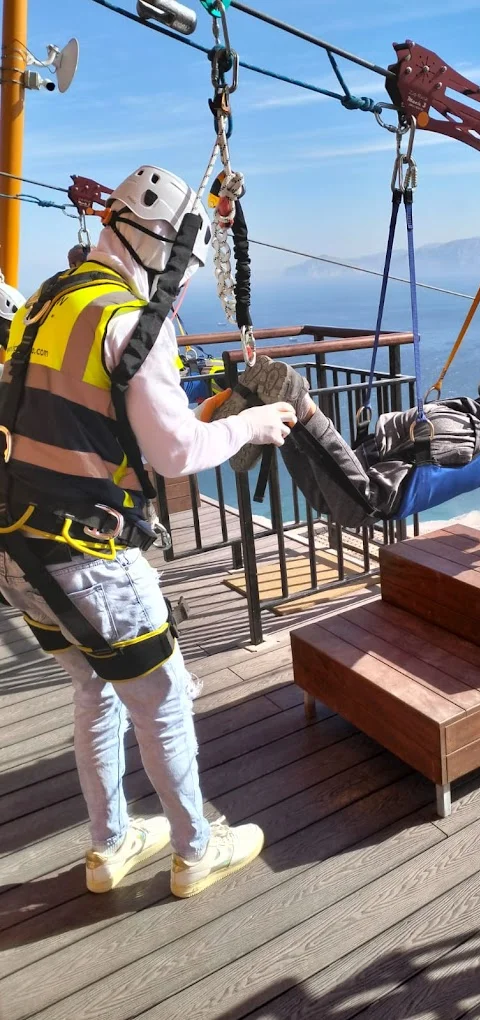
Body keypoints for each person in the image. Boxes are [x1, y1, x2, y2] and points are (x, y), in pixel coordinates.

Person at [0, 166, 295, 897]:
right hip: (90, 556)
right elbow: (175, 455)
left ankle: (110, 845)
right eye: (188, 265)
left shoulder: (46, 301)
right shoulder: (131, 321)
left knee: (94, 692)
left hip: (19, 552)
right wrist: (253, 421)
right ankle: (197, 849)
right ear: (162, 242)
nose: (186, 285)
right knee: (161, 699)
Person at [214, 350, 480, 527]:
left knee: (334, 500)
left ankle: (280, 418)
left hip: (439, 423)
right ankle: (301, 406)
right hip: (455, 452)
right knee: (370, 506)